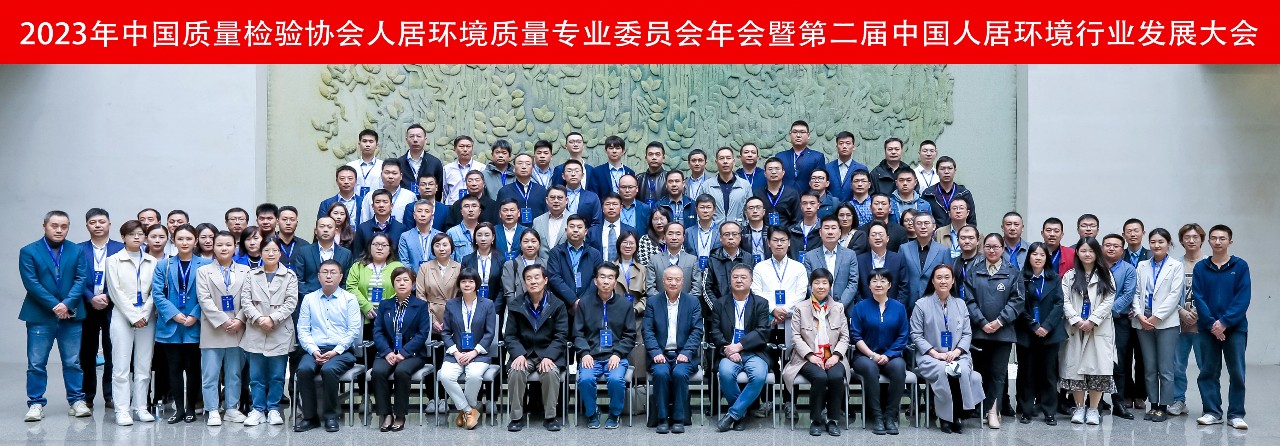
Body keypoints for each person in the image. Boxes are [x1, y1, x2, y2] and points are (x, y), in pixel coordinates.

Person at [911, 265, 984, 434]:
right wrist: (936, 354)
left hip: (958, 355)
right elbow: (916, 334)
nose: (943, 281)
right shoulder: (921, 305)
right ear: (932, 281)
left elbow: (967, 333)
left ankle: (959, 414)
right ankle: (945, 418)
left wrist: (957, 352)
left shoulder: (961, 304)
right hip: (931, 356)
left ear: (953, 281)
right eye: (939, 277)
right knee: (944, 370)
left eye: (947, 277)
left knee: (961, 370)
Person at [293, 256, 361, 433]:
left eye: (333, 272)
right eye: (325, 272)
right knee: (303, 370)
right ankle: (310, 417)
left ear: (341, 276)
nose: (329, 276)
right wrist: (313, 350)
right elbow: (303, 329)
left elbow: (353, 330)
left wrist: (336, 351)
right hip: (315, 350)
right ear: (318, 276)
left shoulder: (350, 299)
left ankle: (330, 415)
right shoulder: (309, 299)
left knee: (329, 369)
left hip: (342, 351)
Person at [1192, 225, 1250, 429]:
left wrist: (1224, 322)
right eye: (1214, 238)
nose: (1217, 242)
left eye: (1222, 238)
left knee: (1237, 372)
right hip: (1208, 329)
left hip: (1235, 329)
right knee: (1208, 371)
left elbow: (1243, 298)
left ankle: (1236, 414)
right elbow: (1198, 297)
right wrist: (1212, 324)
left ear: (1230, 242)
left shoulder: (1240, 266)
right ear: (1208, 241)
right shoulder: (1201, 267)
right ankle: (1212, 412)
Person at [963, 233, 1024, 429]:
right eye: (988, 246)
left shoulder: (1012, 271)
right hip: (979, 331)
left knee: (998, 373)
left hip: (1003, 332)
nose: (991, 250)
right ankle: (982, 408)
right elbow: (968, 299)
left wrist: (999, 321)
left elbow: (1017, 301)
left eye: (996, 247)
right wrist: (982, 322)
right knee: (981, 373)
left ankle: (992, 411)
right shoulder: (974, 270)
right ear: (983, 248)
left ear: (1003, 249)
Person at [152, 224, 211, 424]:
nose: (184, 243)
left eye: (188, 239)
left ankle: (191, 408)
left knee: (193, 369)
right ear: (173, 241)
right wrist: (174, 314)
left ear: (195, 241)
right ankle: (178, 409)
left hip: (195, 324)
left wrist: (195, 314)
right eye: (180, 239)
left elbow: (208, 294)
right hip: (171, 325)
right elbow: (158, 294)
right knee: (174, 369)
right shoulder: (164, 265)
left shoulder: (205, 264)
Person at [240, 236, 300, 427]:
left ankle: (273, 408)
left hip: (279, 329)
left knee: (277, 375)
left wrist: (272, 319)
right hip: (256, 329)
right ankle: (258, 409)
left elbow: (291, 302)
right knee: (256, 376)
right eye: (266, 250)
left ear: (280, 253)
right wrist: (259, 319)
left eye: (274, 250)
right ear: (261, 253)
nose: (271, 254)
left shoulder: (290, 276)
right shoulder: (251, 275)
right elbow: (245, 301)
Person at [782, 268, 850, 437]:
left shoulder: (838, 308)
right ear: (810, 285)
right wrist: (810, 356)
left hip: (832, 356)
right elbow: (796, 337)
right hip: (806, 358)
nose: (820, 286)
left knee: (836, 376)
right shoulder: (800, 308)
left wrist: (836, 356)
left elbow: (844, 336)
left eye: (824, 283)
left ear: (830, 286)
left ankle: (833, 420)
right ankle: (816, 420)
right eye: (816, 283)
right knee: (819, 377)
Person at [103, 220, 157, 425]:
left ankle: (140, 407)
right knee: (121, 365)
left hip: (147, 317)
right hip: (122, 316)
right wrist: (134, 316)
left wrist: (145, 313)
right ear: (123, 237)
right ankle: (122, 410)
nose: (137, 237)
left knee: (144, 365)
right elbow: (114, 291)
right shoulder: (113, 260)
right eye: (132, 234)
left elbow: (155, 291)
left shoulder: (152, 261)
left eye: (141, 234)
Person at [1060, 237, 1118, 426]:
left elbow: (1109, 300)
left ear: (1097, 253)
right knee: (1075, 369)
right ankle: (1079, 407)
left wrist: (1092, 320)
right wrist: (1077, 320)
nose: (1087, 254)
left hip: (1098, 329)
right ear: (1077, 252)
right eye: (1083, 250)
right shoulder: (1069, 276)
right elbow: (1064, 300)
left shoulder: (1105, 274)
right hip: (1075, 328)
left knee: (1097, 369)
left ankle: (1093, 409)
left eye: (1091, 251)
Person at [505, 264, 569, 432]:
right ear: (524, 283)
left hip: (548, 353)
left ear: (545, 280)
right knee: (516, 371)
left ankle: (550, 417)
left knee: (550, 371)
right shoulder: (516, 304)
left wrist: (549, 356)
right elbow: (510, 336)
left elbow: (561, 335)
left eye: (536, 277)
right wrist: (518, 354)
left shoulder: (557, 304)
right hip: (524, 353)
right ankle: (516, 417)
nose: (533, 281)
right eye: (529, 278)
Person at [195, 231, 251, 426]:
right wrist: (224, 320)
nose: (224, 248)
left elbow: (249, 299)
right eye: (219, 245)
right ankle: (212, 409)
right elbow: (204, 300)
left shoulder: (246, 271)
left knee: (234, 372)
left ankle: (231, 408)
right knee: (210, 373)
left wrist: (240, 319)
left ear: (235, 247)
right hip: (213, 329)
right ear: (213, 247)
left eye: (228, 244)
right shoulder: (203, 271)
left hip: (237, 328)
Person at [574, 263, 638, 429]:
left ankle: (614, 413)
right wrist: (585, 353)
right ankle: (592, 413)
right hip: (591, 356)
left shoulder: (625, 305)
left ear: (615, 282)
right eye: (602, 277)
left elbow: (630, 335)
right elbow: (578, 333)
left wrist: (618, 353)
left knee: (616, 380)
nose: (606, 281)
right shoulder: (584, 303)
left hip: (616, 356)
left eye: (610, 277)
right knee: (585, 379)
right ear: (595, 281)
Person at [1132, 228, 1185, 423]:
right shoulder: (1142, 265)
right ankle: (1153, 404)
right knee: (1149, 367)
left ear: (1169, 244)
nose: (1156, 245)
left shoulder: (1176, 266)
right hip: (1142, 322)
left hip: (1166, 324)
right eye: (1153, 242)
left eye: (1161, 242)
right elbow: (1136, 292)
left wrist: (1156, 318)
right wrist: (1139, 315)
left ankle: (1164, 406)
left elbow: (1174, 295)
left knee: (1166, 368)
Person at [370, 266, 432, 432]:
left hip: (412, 354)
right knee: (378, 372)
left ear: (413, 284)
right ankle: (386, 414)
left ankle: (400, 414)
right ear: (393, 284)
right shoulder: (385, 304)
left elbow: (422, 334)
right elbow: (377, 331)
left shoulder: (420, 305)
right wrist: (387, 352)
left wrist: (403, 353)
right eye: (398, 280)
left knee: (401, 371)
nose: (402, 283)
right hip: (387, 352)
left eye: (406, 280)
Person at [643, 265, 703, 434]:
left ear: (683, 282)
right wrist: (655, 352)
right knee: (661, 373)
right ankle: (662, 418)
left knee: (679, 373)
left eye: (677, 279)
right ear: (663, 281)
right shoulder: (653, 302)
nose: (673, 283)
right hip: (660, 354)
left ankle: (678, 419)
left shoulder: (692, 302)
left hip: (683, 354)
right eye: (669, 279)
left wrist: (686, 353)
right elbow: (647, 331)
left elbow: (697, 331)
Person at [710, 264, 770, 432]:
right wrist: (728, 350)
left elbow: (763, 331)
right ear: (730, 280)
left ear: (751, 281)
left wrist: (740, 346)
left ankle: (733, 414)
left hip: (754, 352)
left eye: (743, 277)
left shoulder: (761, 303)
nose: (739, 280)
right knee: (725, 373)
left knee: (759, 375)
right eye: (735, 277)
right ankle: (740, 414)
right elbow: (715, 332)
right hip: (728, 352)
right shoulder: (720, 303)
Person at [850, 268, 909, 435]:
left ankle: (889, 416)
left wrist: (888, 355)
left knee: (899, 368)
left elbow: (903, 335)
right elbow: (856, 335)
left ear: (889, 285)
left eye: (883, 281)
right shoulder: (860, 307)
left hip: (892, 355)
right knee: (870, 369)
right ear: (868, 285)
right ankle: (876, 417)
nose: (878, 284)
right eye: (874, 281)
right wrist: (872, 355)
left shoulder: (899, 307)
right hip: (864, 356)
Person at [440, 268, 498, 430]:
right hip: (456, 353)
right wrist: (456, 352)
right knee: (445, 376)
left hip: (479, 353)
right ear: (459, 284)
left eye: (471, 281)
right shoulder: (451, 304)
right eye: (463, 281)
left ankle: (464, 411)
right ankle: (468, 410)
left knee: (474, 376)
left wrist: (474, 352)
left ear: (477, 284)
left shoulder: (488, 304)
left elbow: (489, 333)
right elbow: (445, 332)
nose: (467, 284)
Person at [1015, 243, 1066, 425]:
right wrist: (1034, 326)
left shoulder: (1055, 278)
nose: (1038, 258)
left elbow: (1059, 303)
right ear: (1028, 257)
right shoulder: (1021, 278)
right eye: (1034, 254)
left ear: (1047, 258)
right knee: (1026, 372)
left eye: (1042, 255)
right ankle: (1026, 410)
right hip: (1027, 332)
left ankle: (1049, 411)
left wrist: (1046, 326)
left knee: (1049, 374)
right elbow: (1019, 304)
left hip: (1050, 333)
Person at [78, 209, 123, 411]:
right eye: (93, 222)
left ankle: (110, 395)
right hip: (86, 307)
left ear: (109, 224)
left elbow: (125, 279)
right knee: (86, 352)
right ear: (87, 225)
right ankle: (87, 395)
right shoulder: (78, 249)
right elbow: (74, 277)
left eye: (102, 221)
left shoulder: (120, 248)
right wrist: (91, 297)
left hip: (113, 306)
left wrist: (107, 296)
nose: (97, 225)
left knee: (113, 350)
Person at [1169, 223, 1207, 416]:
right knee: (1177, 366)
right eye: (1187, 237)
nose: (1191, 240)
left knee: (1206, 366)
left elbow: (1214, 294)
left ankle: (1210, 404)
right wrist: (1181, 312)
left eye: (1195, 237)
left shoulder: (1209, 263)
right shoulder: (1174, 264)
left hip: (1203, 325)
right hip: (1178, 323)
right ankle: (1178, 400)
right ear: (1181, 240)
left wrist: (1198, 313)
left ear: (1202, 239)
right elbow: (1166, 294)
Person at [1101, 233, 1140, 420]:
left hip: (1119, 321)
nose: (1111, 248)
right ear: (1102, 248)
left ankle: (1119, 402)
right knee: (1098, 361)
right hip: (1096, 322)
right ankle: (1096, 401)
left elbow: (1128, 295)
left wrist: (1106, 312)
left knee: (1120, 363)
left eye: (1116, 246)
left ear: (1122, 250)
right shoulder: (1095, 267)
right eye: (1107, 245)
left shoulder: (1129, 269)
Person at [347, 233, 405, 342]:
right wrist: (366, 307)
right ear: (370, 247)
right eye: (376, 244)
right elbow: (351, 287)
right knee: (366, 348)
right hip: (364, 316)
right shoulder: (358, 266)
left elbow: (403, 288)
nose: (379, 248)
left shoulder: (397, 266)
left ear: (390, 249)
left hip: (390, 316)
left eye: (384, 245)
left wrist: (385, 308)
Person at [752, 226, 809, 324]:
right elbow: (756, 291)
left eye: (783, 240)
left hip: (793, 319)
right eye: (775, 240)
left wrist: (784, 310)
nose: (779, 244)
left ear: (789, 242)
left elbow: (801, 293)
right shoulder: (759, 267)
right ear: (768, 243)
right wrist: (773, 309)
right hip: (767, 319)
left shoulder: (799, 267)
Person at [546, 215, 604, 308]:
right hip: (562, 305)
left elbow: (597, 278)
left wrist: (582, 303)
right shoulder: (555, 252)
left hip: (588, 305)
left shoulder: (594, 254)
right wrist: (573, 301)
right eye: (572, 227)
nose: (575, 230)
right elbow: (554, 278)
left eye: (579, 227)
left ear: (585, 231)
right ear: (566, 230)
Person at [802, 215, 859, 308]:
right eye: (826, 228)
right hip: (817, 308)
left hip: (844, 309)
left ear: (840, 232)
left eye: (833, 228)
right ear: (820, 232)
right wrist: (821, 304)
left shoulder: (850, 255)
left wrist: (840, 305)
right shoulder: (810, 256)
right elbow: (808, 283)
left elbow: (853, 282)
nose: (830, 232)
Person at [899, 213, 948, 311]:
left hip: (935, 304)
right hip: (909, 303)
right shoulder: (904, 249)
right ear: (913, 226)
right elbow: (900, 277)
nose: (923, 227)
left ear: (934, 226)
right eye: (919, 223)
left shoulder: (943, 251)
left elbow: (947, 279)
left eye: (926, 223)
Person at [855, 222, 911, 307]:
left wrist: (897, 307)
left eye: (881, 234)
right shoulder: (859, 260)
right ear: (868, 239)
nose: (877, 237)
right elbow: (856, 288)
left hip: (893, 309)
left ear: (887, 238)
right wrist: (863, 306)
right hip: (866, 309)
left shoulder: (898, 259)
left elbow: (904, 286)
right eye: (873, 235)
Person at [703, 221, 756, 307]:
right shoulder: (713, 260)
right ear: (720, 238)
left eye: (734, 234)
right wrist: (717, 309)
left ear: (740, 237)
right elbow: (707, 289)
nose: (731, 237)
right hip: (720, 308)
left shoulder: (749, 258)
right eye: (727, 234)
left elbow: (754, 285)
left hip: (745, 308)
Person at [416, 233, 461, 332]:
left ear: (451, 247)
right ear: (432, 248)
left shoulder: (459, 267)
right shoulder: (424, 267)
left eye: (445, 245)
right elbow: (420, 295)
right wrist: (431, 319)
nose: (441, 249)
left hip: (453, 313)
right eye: (437, 245)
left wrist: (452, 316)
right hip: (430, 311)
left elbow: (461, 295)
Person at [644, 222, 699, 300]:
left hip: (686, 305)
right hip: (660, 305)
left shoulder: (692, 260)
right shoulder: (654, 260)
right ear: (664, 237)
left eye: (678, 234)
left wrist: (683, 303)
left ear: (683, 237)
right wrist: (664, 302)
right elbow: (650, 288)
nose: (674, 237)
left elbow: (697, 289)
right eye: (670, 234)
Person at [921, 156, 977, 227]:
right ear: (937, 171)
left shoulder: (964, 193)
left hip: (959, 233)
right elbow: (922, 218)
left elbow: (971, 220)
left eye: (950, 168)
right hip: (936, 233)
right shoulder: (928, 194)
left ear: (955, 171)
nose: (946, 172)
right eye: (942, 169)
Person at [353, 189, 409, 259]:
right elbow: (357, 255)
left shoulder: (401, 228)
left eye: (385, 202)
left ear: (391, 206)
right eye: (377, 202)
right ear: (372, 206)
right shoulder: (362, 228)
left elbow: (401, 256)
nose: (381, 205)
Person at [702, 146, 753, 222]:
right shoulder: (707, 185)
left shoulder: (745, 185)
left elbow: (750, 210)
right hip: (715, 228)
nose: (725, 161)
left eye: (728, 158)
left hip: (738, 228)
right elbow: (701, 211)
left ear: (734, 162)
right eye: (721, 158)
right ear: (716, 162)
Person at [496, 153, 549, 224]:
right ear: (514, 168)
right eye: (520, 163)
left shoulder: (542, 191)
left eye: (528, 164)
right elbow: (498, 218)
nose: (524, 167)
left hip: (537, 230)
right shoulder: (504, 191)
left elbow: (547, 216)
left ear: (533, 169)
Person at [500, 229, 545, 310]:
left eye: (533, 241)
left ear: (539, 244)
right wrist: (516, 311)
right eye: (526, 241)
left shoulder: (546, 264)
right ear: (520, 245)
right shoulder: (510, 265)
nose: (530, 245)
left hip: (542, 310)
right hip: (518, 310)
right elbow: (509, 294)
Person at [776, 120, 826, 193]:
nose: (798, 135)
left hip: (808, 197)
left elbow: (821, 182)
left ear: (808, 135)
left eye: (802, 132)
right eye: (795, 132)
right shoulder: (780, 157)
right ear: (790, 135)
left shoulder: (817, 157)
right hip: (784, 197)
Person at [397, 124, 445, 197]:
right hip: (405, 202)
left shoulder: (435, 162)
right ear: (406, 140)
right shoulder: (399, 163)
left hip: (428, 203)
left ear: (425, 140)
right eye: (411, 136)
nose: (415, 140)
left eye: (419, 136)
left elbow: (439, 189)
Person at [461, 223, 502, 303]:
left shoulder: (501, 260)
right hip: (471, 304)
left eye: (487, 235)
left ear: (493, 237)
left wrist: (495, 308)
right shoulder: (466, 260)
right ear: (475, 238)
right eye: (479, 235)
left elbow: (502, 289)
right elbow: (463, 284)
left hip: (494, 304)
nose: (483, 239)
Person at [587, 194, 636, 262]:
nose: (611, 207)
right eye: (608, 204)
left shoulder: (631, 231)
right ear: (602, 208)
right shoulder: (592, 231)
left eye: (615, 204)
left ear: (621, 208)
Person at [824, 131, 870, 202]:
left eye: (848, 143)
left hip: (853, 207)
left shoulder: (861, 168)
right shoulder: (827, 168)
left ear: (853, 147)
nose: (844, 146)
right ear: (836, 147)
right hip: (831, 206)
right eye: (841, 143)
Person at [397, 200, 443, 269]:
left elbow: (444, 260)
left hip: (436, 274)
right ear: (414, 215)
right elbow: (404, 262)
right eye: (419, 211)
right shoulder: (405, 236)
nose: (423, 214)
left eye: (427, 211)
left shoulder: (441, 236)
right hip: (412, 275)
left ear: (432, 216)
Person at [754, 157, 799, 227]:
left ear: (783, 172)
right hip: (763, 232)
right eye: (770, 169)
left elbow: (797, 219)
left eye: (777, 169)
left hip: (786, 232)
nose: (774, 172)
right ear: (765, 173)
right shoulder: (757, 194)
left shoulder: (792, 193)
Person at [612, 232, 649, 318]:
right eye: (625, 242)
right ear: (619, 245)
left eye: (631, 243)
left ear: (636, 246)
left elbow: (647, 296)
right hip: (614, 314)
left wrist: (636, 309)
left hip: (636, 316)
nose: (628, 246)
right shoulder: (611, 268)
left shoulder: (642, 269)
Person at [318, 166, 363, 230]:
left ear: (356, 181)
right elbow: (321, 227)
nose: (346, 182)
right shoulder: (326, 204)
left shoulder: (363, 202)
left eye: (350, 179)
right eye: (342, 179)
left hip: (358, 236)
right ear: (336, 181)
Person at [531, 186, 570, 258]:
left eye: (560, 198)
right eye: (552, 198)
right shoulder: (537, 221)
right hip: (542, 263)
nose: (556, 201)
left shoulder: (574, 221)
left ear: (566, 200)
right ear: (547, 200)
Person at [345, 129, 384, 198]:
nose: (367, 145)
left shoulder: (382, 166)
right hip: (354, 202)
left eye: (371, 141)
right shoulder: (350, 166)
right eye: (364, 141)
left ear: (376, 145)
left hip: (376, 202)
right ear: (359, 144)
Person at [446, 195, 484, 260]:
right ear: (461, 211)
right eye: (466, 206)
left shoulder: (485, 232)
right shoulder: (452, 233)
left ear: (479, 211)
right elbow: (448, 260)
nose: (470, 210)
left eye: (474, 206)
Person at [443, 136, 479, 205]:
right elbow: (445, 192)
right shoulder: (447, 169)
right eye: (461, 146)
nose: (465, 150)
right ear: (455, 149)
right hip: (452, 206)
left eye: (468, 146)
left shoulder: (481, 168)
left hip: (474, 207)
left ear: (472, 149)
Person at [686, 194, 721, 260]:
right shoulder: (688, 232)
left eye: (708, 207)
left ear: (714, 210)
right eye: (702, 207)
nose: (705, 211)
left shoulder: (721, 231)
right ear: (696, 210)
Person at [788, 193, 822, 260]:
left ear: (818, 205)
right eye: (804, 203)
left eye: (812, 203)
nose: (808, 207)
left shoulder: (824, 230)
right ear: (801, 206)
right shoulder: (792, 230)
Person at [636, 141, 668, 206]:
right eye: (650, 154)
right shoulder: (639, 178)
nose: (654, 157)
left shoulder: (668, 177)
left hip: (663, 212)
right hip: (643, 212)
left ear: (663, 158)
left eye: (657, 154)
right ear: (646, 158)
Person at [741, 197, 770, 261]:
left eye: (758, 207)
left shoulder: (771, 232)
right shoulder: (741, 233)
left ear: (764, 212)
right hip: (747, 265)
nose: (755, 211)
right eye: (751, 208)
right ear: (746, 213)